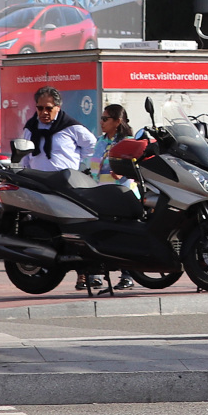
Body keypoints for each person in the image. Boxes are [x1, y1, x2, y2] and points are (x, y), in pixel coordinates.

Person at [22, 86, 99, 289]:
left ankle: (84, 274)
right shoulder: (30, 128)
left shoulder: (70, 126)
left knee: (74, 230)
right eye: (39, 108)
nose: (44, 113)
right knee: (45, 231)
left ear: (58, 107)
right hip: (40, 187)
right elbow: (25, 157)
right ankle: (44, 271)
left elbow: (91, 146)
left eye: (48, 108)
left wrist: (76, 164)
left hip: (66, 187)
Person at [91, 104, 137, 289]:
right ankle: (96, 274)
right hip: (101, 194)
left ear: (117, 121)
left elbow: (134, 167)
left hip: (122, 195)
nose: (101, 122)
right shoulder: (100, 141)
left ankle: (127, 276)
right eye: (101, 118)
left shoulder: (128, 141)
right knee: (99, 234)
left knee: (124, 235)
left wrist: (123, 172)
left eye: (105, 119)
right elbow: (94, 166)